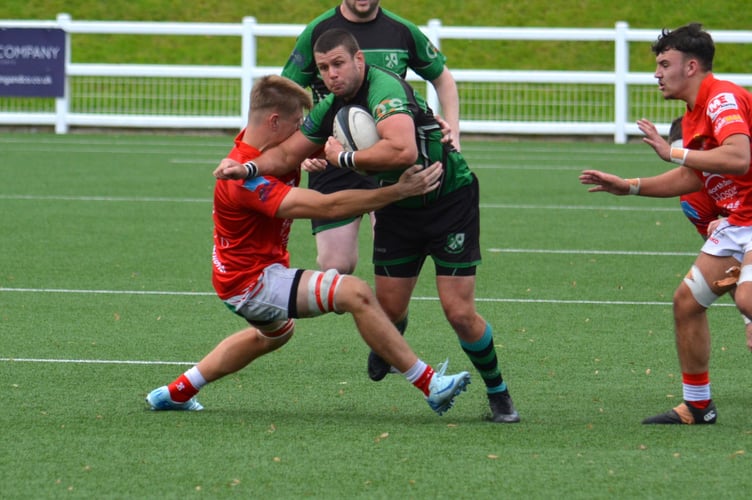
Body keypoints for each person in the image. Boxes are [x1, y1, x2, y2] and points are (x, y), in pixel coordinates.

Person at [216, 29, 519, 423]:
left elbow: (403, 150)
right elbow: (289, 151)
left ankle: (499, 396)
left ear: (359, 60)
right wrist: (248, 167)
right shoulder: (332, 105)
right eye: (323, 68)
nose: (331, 75)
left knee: (458, 312)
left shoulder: (383, 87)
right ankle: (392, 342)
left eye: (338, 64)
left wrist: (343, 159)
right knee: (387, 310)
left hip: (448, 200)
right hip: (398, 208)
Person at [145, 75, 471, 417]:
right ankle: (430, 384)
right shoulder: (243, 179)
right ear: (274, 122)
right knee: (354, 293)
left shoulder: (262, 149)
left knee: (272, 335)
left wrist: (420, 124)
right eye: (296, 123)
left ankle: (176, 392)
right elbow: (325, 206)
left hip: (241, 276)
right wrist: (396, 192)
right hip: (251, 282)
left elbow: (342, 142)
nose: (302, 130)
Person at [579, 23, 752, 425]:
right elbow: (696, 177)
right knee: (686, 303)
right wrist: (630, 187)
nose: (657, 73)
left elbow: (739, 157)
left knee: (746, 300)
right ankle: (698, 405)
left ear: (691, 66)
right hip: (740, 219)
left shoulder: (721, 98)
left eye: (663, 63)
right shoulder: (693, 116)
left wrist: (673, 152)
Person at [281, 0, 461, 275]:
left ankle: (389, 315)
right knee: (336, 265)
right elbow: (288, 92)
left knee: (394, 259)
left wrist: (453, 132)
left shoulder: (402, 31)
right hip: (333, 156)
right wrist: (304, 152)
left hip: (388, 156)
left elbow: (442, 78)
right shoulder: (318, 31)